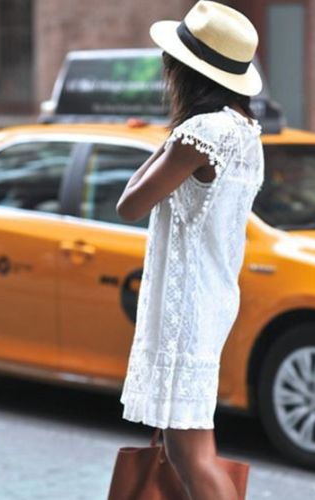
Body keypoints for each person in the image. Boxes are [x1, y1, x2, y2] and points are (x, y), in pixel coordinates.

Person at [116, 1, 265, 498]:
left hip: (187, 307)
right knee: (186, 442)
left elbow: (129, 205)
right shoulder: (244, 132)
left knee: (190, 452)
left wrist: (171, 136)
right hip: (211, 297)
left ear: (187, 72)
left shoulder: (199, 134)